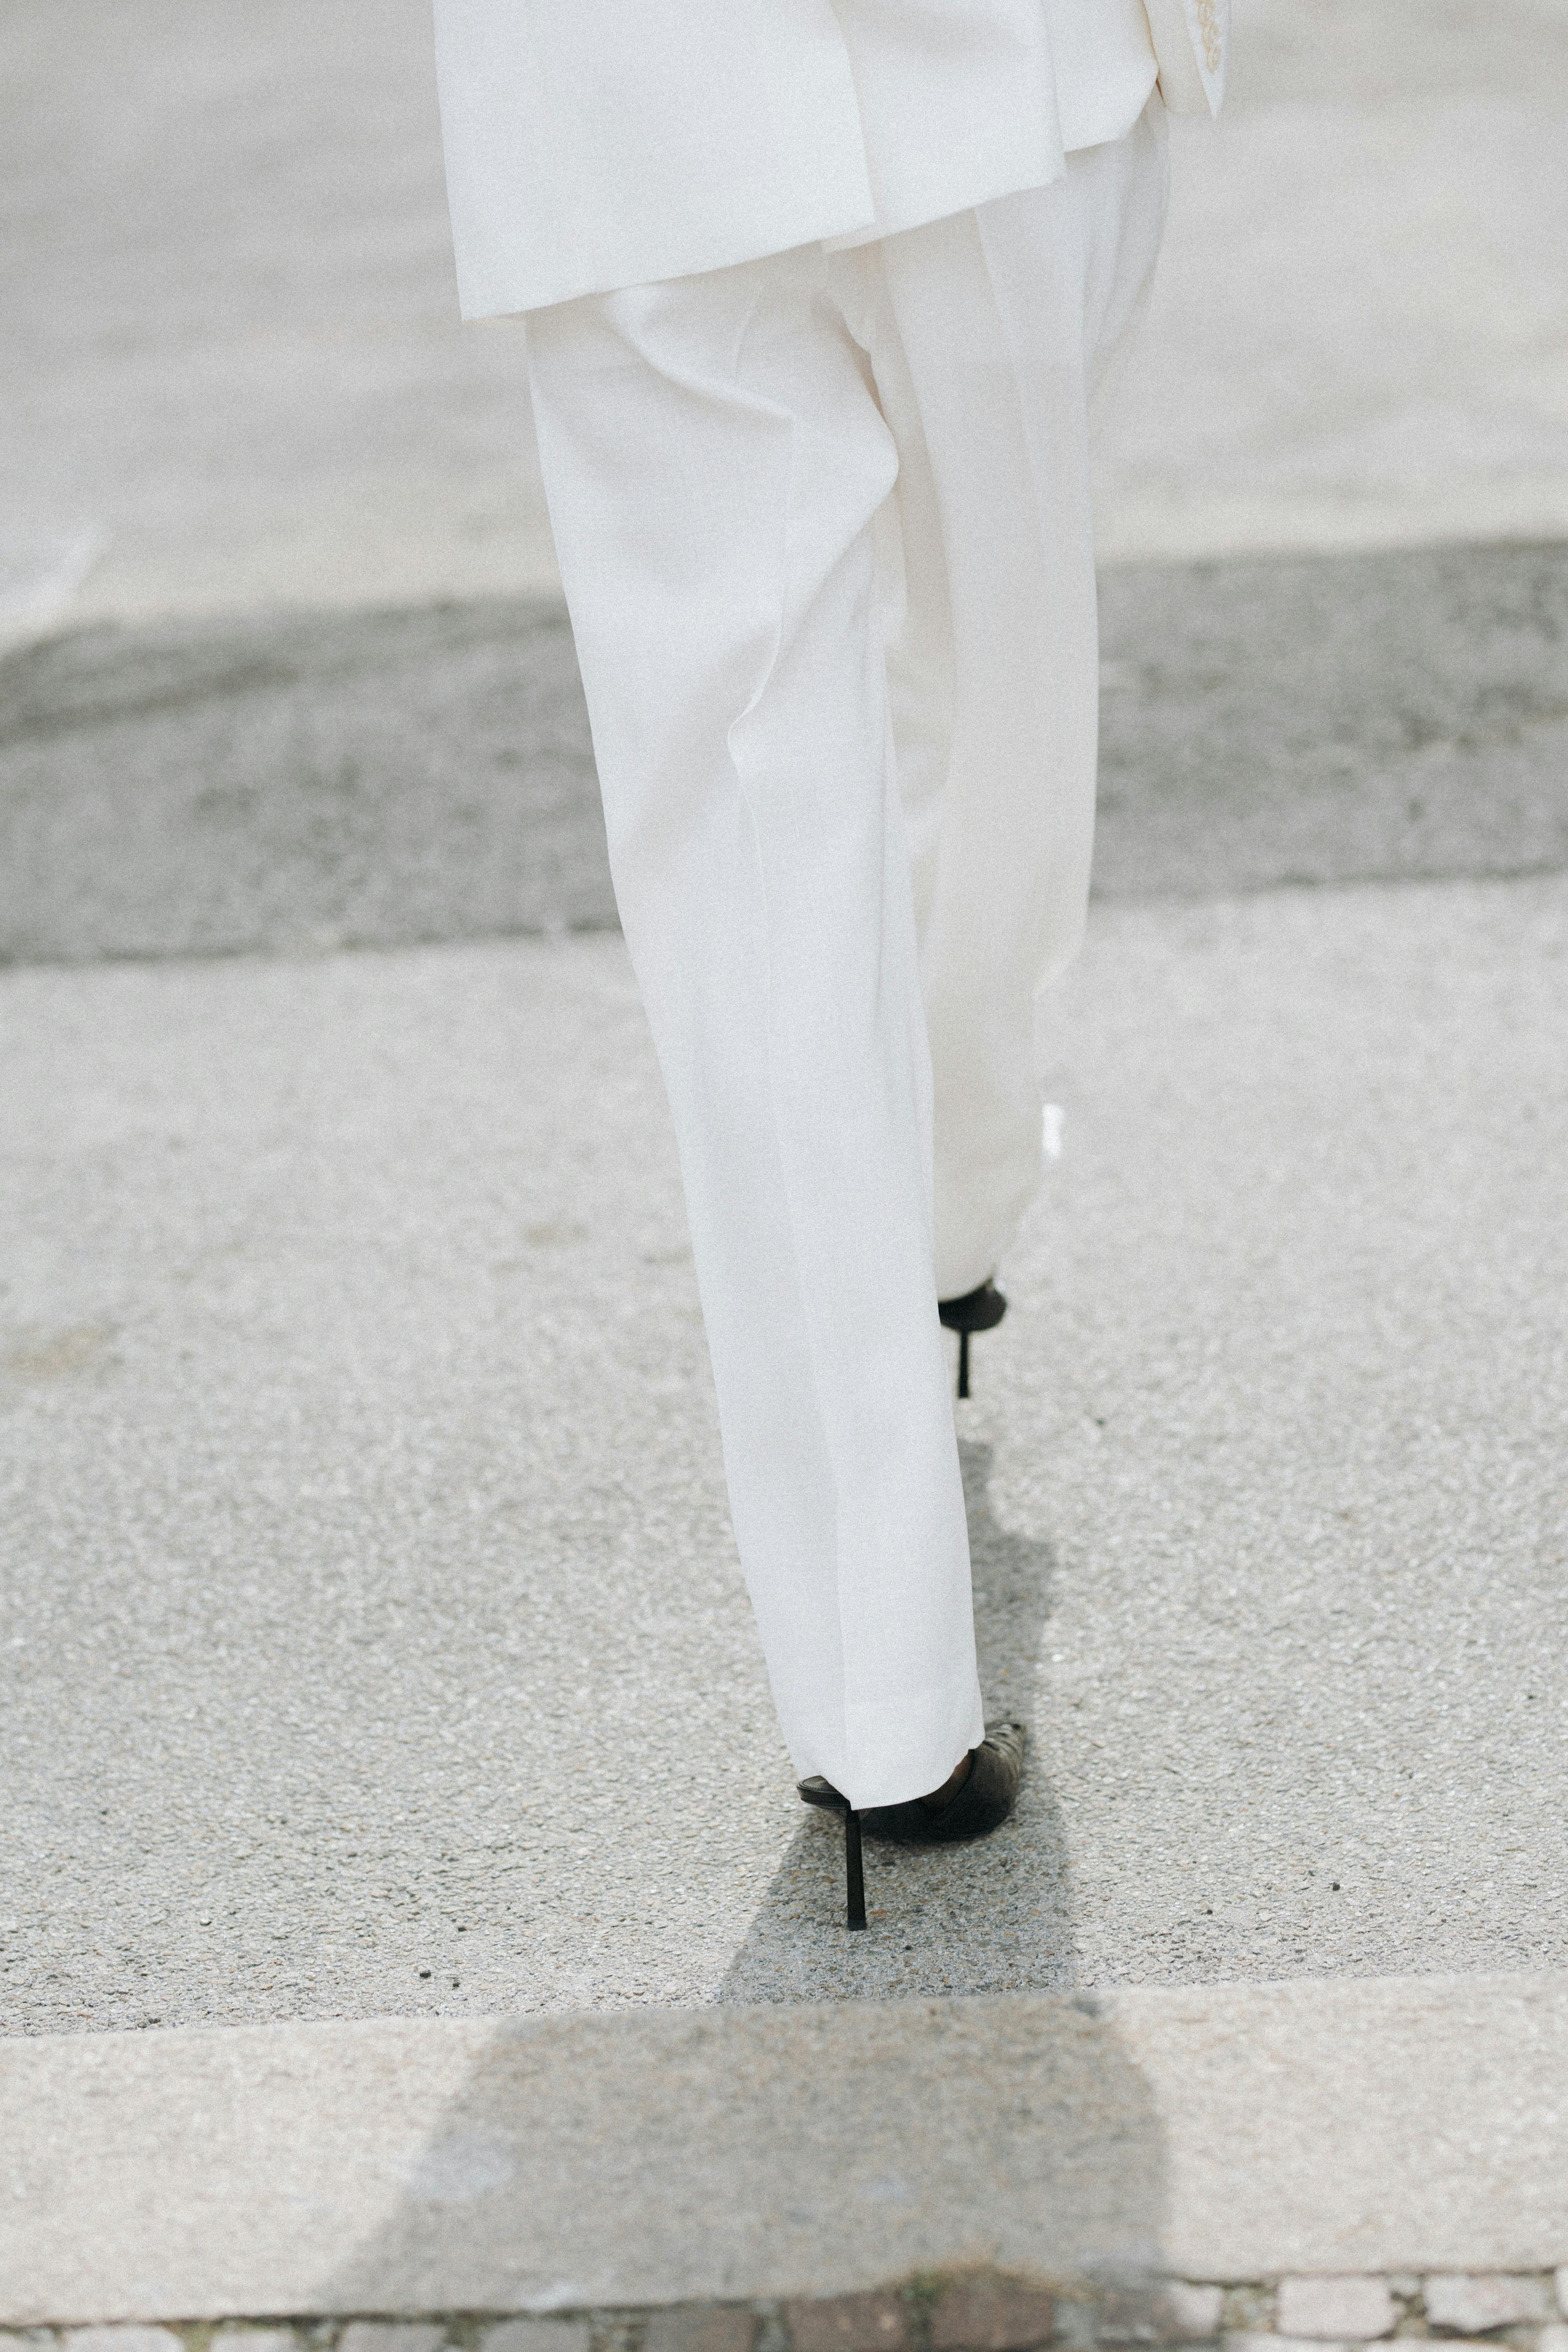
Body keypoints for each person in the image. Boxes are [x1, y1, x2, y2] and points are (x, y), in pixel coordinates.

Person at [431, 0, 1228, 1926]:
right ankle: (883, 1681)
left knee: (832, 800)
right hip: (950, 74)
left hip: (637, 95)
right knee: (926, 740)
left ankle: (888, 1630)